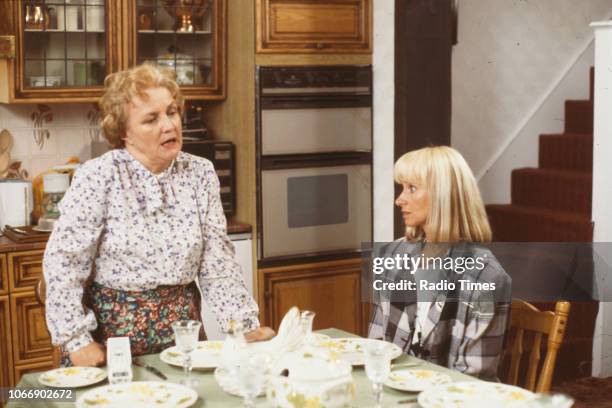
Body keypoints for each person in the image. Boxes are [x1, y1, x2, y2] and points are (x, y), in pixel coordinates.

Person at [44, 63, 274, 367]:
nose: (169, 125)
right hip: (112, 343)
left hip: (185, 337)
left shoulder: (200, 173)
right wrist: (76, 340)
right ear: (123, 132)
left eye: (172, 112)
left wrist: (244, 325)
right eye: (151, 119)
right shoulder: (99, 175)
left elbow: (217, 262)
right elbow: (65, 261)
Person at [368, 146, 511, 381]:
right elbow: (376, 345)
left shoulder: (487, 278)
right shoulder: (390, 255)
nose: (399, 200)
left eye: (412, 188)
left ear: (442, 195)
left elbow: (472, 380)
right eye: (401, 188)